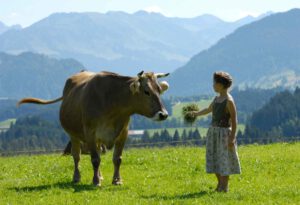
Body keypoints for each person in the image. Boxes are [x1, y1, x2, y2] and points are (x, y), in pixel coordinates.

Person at [192, 71, 241, 192]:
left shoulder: (229, 101)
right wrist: (197, 113)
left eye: (215, 83)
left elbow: (234, 121)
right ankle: (220, 184)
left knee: (224, 159)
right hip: (213, 133)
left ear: (221, 85)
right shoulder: (216, 99)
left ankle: (224, 187)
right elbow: (209, 109)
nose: (213, 85)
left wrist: (232, 138)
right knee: (214, 158)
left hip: (224, 134)